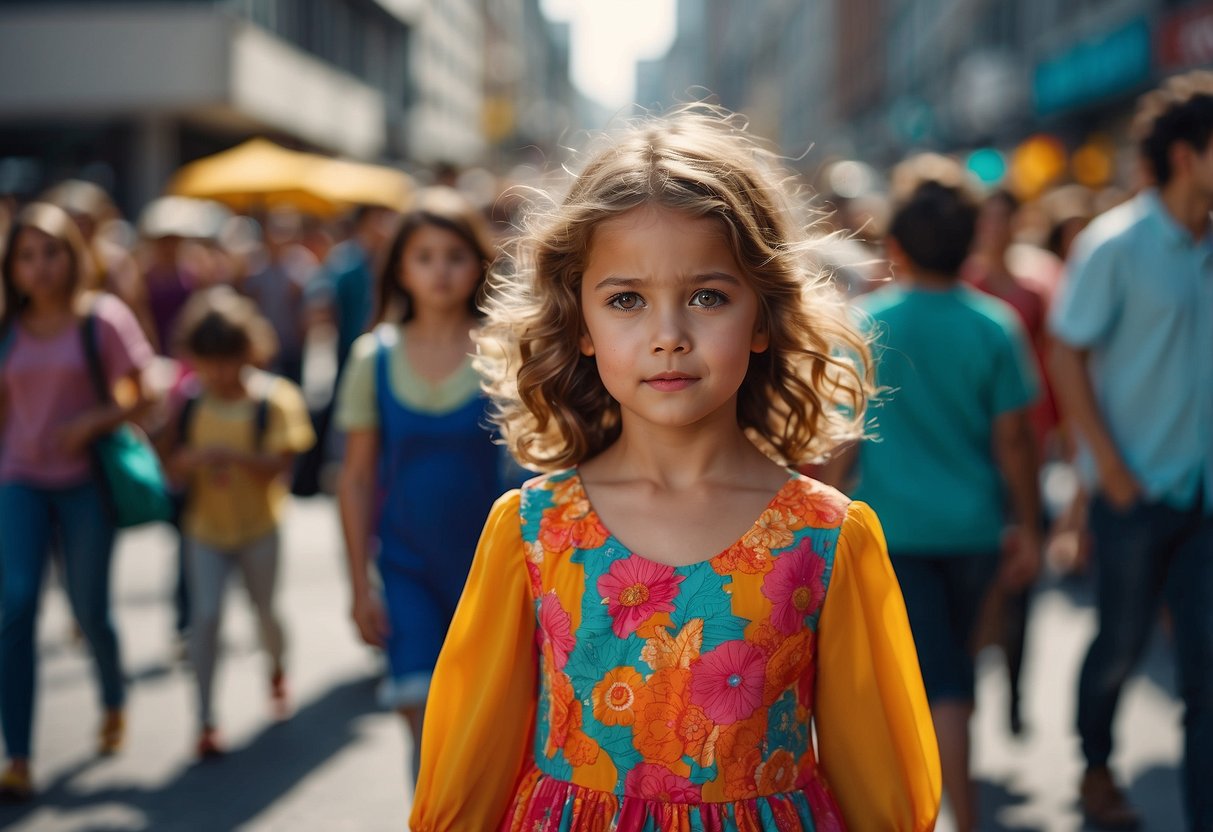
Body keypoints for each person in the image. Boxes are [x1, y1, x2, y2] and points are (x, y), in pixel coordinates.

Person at [409, 108, 940, 831]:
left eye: (706, 297)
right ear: (580, 324)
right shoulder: (530, 533)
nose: (667, 336)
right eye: (626, 299)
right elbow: (468, 775)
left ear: (760, 317)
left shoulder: (826, 539)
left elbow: (882, 801)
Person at [822, 157, 1041, 832]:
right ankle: (945, 806)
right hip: (975, 528)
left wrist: (816, 510)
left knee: (926, 678)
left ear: (893, 246)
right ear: (972, 239)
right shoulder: (994, 325)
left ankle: (945, 814)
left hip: (893, 531)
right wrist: (1028, 526)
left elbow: (841, 440)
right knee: (954, 674)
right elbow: (1014, 441)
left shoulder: (864, 322)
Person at [1049, 71, 1213, 832]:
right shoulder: (1113, 245)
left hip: (1203, 498)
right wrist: (1106, 468)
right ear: (1187, 154)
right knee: (1117, 644)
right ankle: (1092, 767)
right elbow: (1066, 352)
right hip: (1131, 493)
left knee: (1206, 675)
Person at [335, 187, 514, 787]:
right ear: (401, 269)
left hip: (491, 568)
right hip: (406, 563)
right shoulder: (372, 358)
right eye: (424, 256)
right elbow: (356, 479)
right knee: (421, 710)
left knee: (486, 722)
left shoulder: (506, 354)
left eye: (454, 255)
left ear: (478, 264)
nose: (440, 271)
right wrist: (359, 582)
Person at [0, 202, 156, 800]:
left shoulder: (103, 319)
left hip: (86, 481)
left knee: (89, 610)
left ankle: (113, 696)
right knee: (16, 607)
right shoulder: (7, 328)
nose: (40, 266)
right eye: (26, 255)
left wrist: (93, 421)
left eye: (52, 252)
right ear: (12, 267)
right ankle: (16, 754)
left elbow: (146, 393)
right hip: (19, 480)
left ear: (73, 256)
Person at [163, 287, 315, 758]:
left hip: (259, 529)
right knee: (205, 618)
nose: (218, 373)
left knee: (265, 612)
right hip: (204, 530)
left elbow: (282, 466)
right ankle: (205, 717)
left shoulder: (276, 398)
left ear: (247, 352)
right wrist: (188, 462)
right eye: (208, 362)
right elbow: (169, 464)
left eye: (226, 361)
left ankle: (275, 667)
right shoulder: (188, 400)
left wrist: (232, 457)